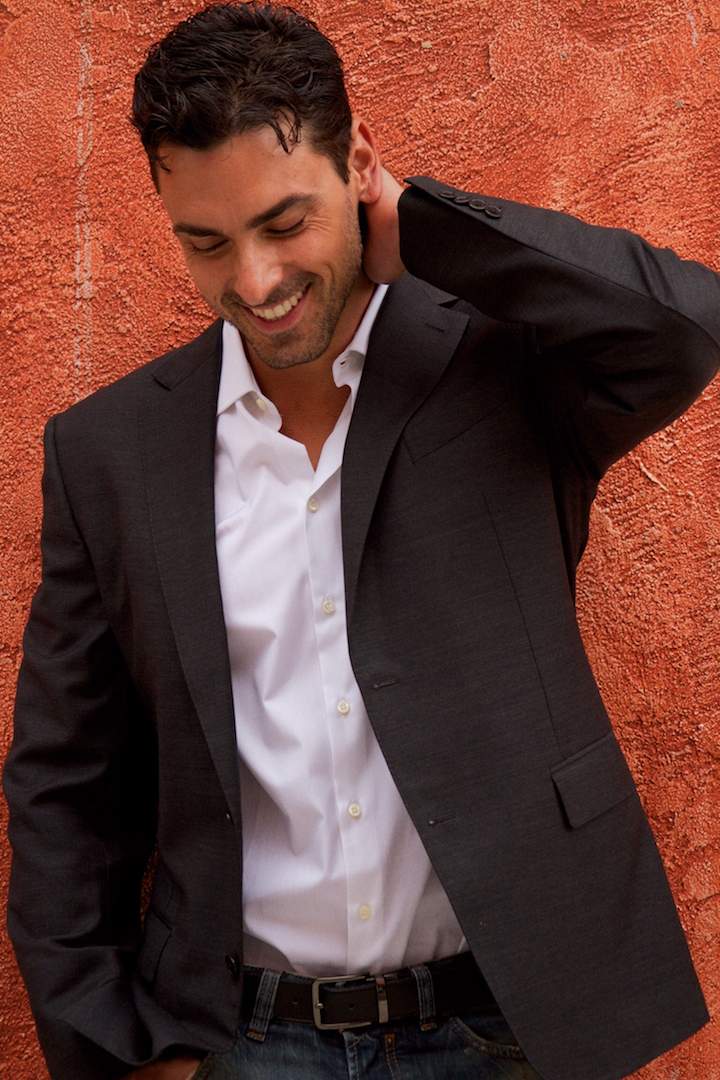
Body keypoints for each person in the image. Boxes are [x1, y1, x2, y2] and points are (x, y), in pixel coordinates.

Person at [4, 2, 718, 1078]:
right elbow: (66, 780)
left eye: (286, 222)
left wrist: (427, 232)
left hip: (502, 1028)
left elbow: (686, 329)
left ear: (359, 166)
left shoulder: (503, 369)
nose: (256, 283)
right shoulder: (109, 452)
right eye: (206, 242)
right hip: (243, 1041)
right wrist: (113, 1046)